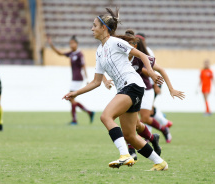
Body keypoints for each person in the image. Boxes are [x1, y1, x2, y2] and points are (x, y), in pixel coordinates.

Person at [63, 8, 180, 171]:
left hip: (132, 85)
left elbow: (143, 55)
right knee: (130, 135)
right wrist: (76, 93)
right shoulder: (99, 52)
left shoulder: (115, 42)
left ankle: (125, 155)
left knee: (106, 117)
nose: (91, 29)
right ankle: (160, 162)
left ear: (104, 27)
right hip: (129, 88)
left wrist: (151, 73)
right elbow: (96, 82)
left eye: (94, 25)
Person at [48, 36, 95, 125]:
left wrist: (87, 79)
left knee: (71, 98)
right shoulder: (71, 53)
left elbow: (83, 66)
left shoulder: (79, 54)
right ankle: (89, 112)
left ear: (77, 44)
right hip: (74, 79)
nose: (71, 45)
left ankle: (75, 120)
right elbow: (59, 53)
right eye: (70, 43)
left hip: (78, 79)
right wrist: (51, 44)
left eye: (73, 43)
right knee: (71, 99)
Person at [136, 33, 173, 129]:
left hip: (151, 83)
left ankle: (159, 127)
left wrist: (155, 85)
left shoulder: (147, 51)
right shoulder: (132, 51)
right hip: (142, 85)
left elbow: (151, 69)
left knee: (147, 112)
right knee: (148, 110)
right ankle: (163, 122)